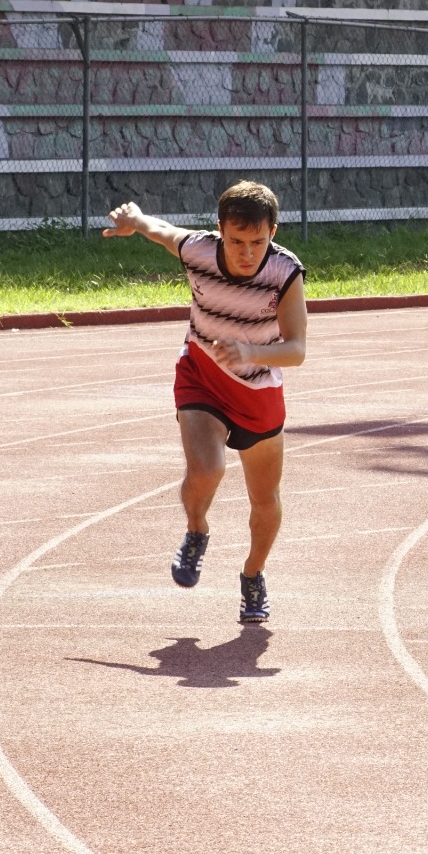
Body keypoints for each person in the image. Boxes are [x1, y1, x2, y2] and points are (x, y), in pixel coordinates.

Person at [102, 181, 307, 623]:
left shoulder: (285, 271)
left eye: (258, 242)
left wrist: (250, 352)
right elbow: (162, 232)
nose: (246, 253)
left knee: (265, 499)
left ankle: (253, 574)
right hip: (202, 378)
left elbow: (296, 350)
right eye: (236, 241)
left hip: (257, 393)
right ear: (220, 231)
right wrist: (134, 220)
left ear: (273, 232)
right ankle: (197, 530)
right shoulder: (198, 250)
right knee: (207, 469)